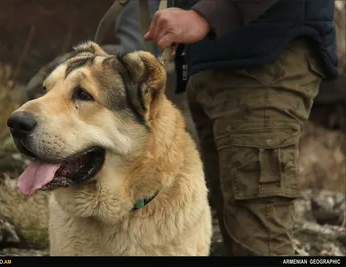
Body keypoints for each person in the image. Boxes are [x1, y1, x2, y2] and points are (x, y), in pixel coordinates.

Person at [144, 0, 338, 256]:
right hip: (212, 63)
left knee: (260, 244)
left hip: (262, 59)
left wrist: (206, 15)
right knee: (237, 239)